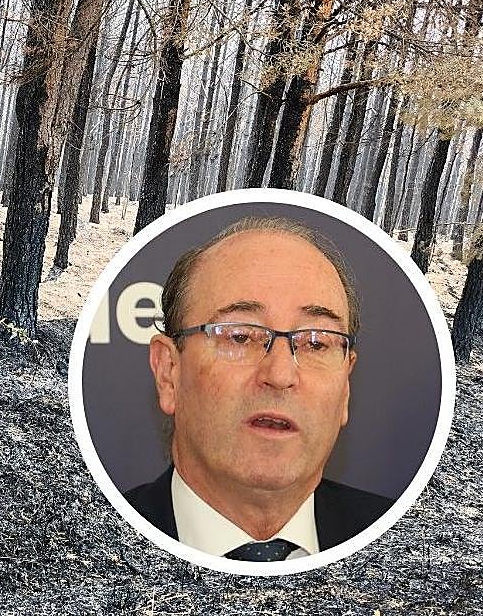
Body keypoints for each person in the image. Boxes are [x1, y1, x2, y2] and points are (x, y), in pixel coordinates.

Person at [124, 216, 394, 562]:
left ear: (345, 387)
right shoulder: (95, 537)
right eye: (240, 336)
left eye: (316, 342)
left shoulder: (402, 541)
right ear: (168, 372)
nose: (280, 374)